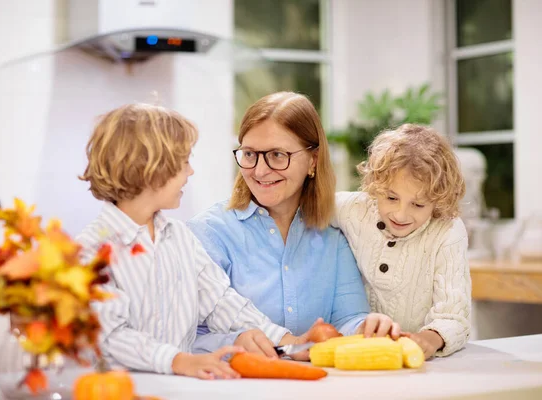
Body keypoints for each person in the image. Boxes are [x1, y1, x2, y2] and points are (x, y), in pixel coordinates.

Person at [76, 103, 302, 380]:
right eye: (184, 161)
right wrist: (179, 361)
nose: (190, 172)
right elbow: (109, 336)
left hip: (180, 389)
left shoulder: (180, 237)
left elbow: (220, 302)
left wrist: (286, 340)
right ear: (152, 168)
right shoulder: (92, 250)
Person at [188, 92, 400, 358]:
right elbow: (186, 337)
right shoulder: (208, 233)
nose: (260, 170)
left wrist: (367, 328)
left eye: (277, 155)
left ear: (313, 160)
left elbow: (348, 318)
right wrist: (236, 343)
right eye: (250, 154)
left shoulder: (333, 233)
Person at [334, 123, 471, 359]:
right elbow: (307, 205)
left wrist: (431, 338)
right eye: (391, 197)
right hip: (359, 353)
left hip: (416, 361)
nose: (400, 214)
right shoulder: (356, 209)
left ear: (438, 200)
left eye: (417, 205)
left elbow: (454, 317)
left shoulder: (447, 232)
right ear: (376, 186)